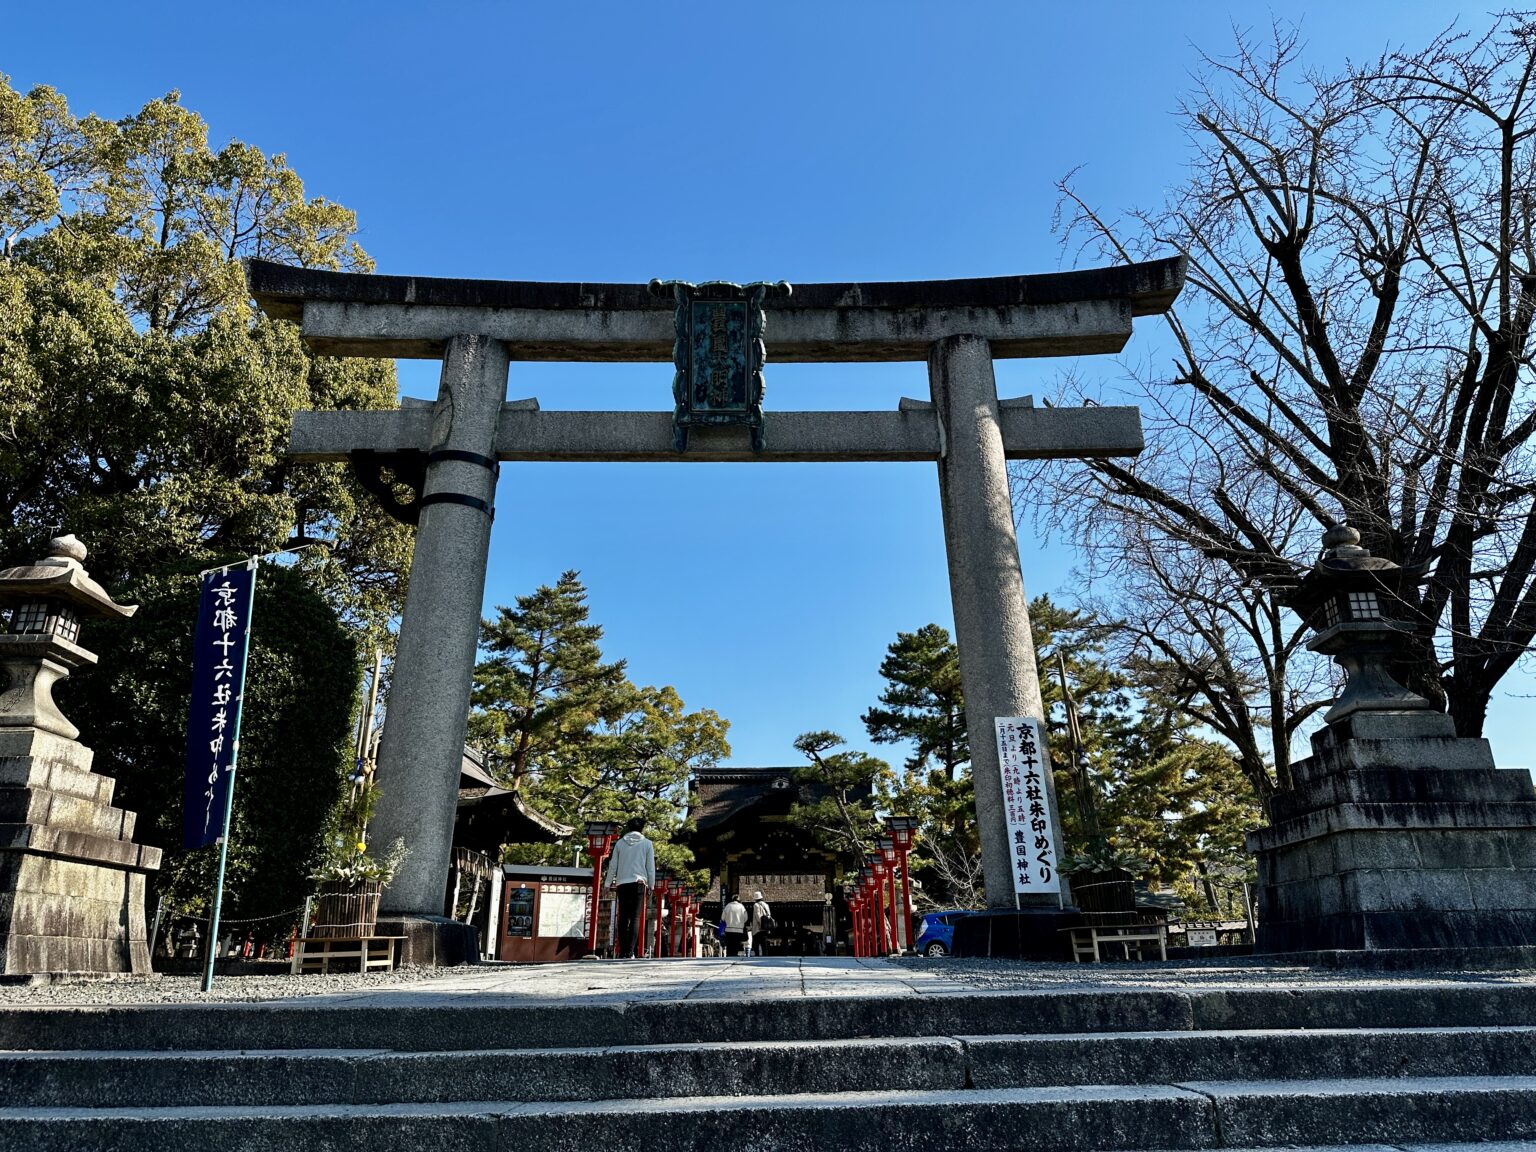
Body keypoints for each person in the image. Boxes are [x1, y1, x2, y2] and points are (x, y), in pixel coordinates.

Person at [605, 816, 655, 958]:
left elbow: (613, 865)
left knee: (623, 917)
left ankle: (622, 950)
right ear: (642, 828)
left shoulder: (620, 843)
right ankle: (630, 951)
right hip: (639, 883)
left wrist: (607, 883)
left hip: (622, 883)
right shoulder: (647, 844)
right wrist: (651, 885)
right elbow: (650, 867)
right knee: (635, 917)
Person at [720, 891, 748, 957]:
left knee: (729, 944)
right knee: (736, 944)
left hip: (729, 929)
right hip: (739, 930)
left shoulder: (727, 906)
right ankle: (735, 955)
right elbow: (746, 918)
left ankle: (729, 955)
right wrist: (741, 923)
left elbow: (722, 918)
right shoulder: (742, 907)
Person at [748, 889, 773, 957]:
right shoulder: (766, 905)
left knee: (756, 943)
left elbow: (758, 916)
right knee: (764, 943)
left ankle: (757, 956)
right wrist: (766, 925)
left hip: (758, 928)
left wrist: (761, 924)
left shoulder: (756, 905)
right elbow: (769, 915)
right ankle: (765, 956)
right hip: (765, 928)